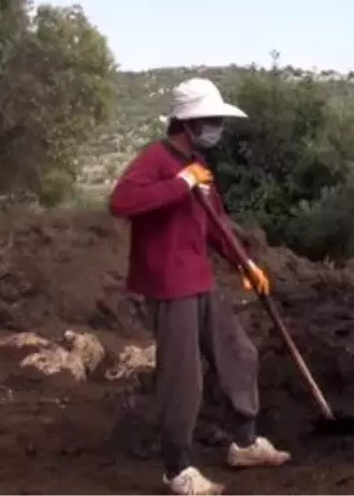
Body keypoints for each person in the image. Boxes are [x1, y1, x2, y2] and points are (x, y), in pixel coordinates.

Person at [109, 78, 291, 496]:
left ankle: (244, 443)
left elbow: (215, 224)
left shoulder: (200, 166)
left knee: (238, 353)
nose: (217, 129)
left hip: (200, 278)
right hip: (168, 284)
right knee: (182, 377)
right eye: (211, 120)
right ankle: (177, 469)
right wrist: (181, 184)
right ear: (187, 123)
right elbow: (121, 202)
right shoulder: (156, 159)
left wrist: (245, 264)